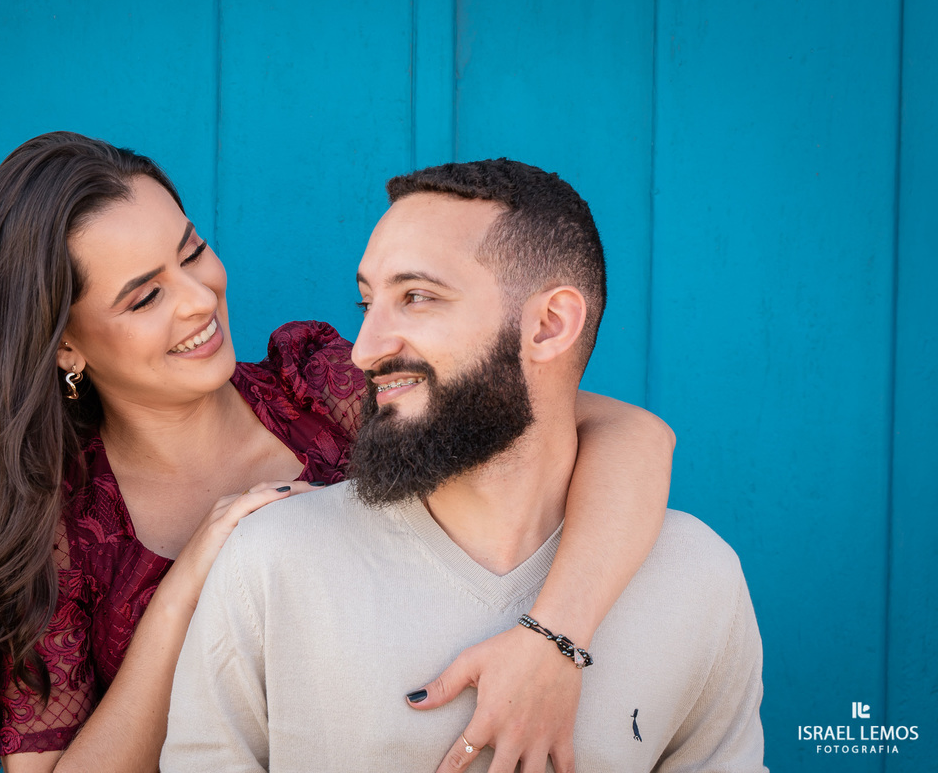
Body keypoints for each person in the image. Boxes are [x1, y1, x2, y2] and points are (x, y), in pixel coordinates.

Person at [0, 133, 676, 773]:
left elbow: (634, 435)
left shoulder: (319, 386)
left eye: (193, 251)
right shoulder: (55, 523)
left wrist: (553, 643)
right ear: (67, 343)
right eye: (144, 296)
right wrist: (193, 582)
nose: (198, 298)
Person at [162, 159, 766, 772]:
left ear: (549, 324)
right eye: (366, 302)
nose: (365, 349)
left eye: (417, 297)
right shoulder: (271, 562)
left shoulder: (699, 578)